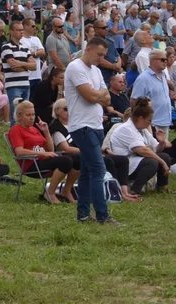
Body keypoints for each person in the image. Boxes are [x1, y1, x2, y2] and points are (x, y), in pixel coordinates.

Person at [63, 36, 120, 224]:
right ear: (88, 49)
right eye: (99, 54)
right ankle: (102, 215)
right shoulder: (75, 67)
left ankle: (84, 214)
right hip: (83, 126)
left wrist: (97, 95)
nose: (101, 58)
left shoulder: (95, 71)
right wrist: (97, 95)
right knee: (98, 169)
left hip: (96, 125)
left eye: (104, 55)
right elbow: (89, 96)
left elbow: (107, 99)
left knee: (87, 171)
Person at [109, 97, 176, 195]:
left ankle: (162, 187)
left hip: (136, 159)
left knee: (164, 156)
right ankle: (135, 190)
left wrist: (161, 142)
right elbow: (143, 150)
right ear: (140, 118)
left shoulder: (142, 129)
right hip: (124, 164)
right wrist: (162, 162)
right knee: (153, 162)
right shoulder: (126, 129)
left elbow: (156, 149)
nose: (150, 123)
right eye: (149, 120)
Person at [8, 100, 79, 205]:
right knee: (66, 161)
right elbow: (19, 152)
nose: (32, 117)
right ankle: (50, 193)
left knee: (79, 159)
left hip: (43, 160)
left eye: (33, 114)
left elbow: (50, 149)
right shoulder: (16, 129)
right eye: (28, 115)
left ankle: (66, 191)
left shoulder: (34, 129)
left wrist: (45, 131)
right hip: (31, 164)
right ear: (19, 116)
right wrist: (43, 154)